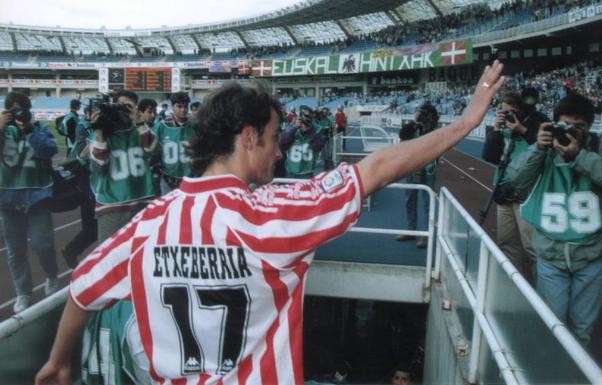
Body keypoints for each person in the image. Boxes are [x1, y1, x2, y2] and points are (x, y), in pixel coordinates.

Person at [36, 61, 504, 385]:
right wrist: (463, 123)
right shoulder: (272, 213)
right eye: (274, 139)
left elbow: (82, 289)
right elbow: (377, 169)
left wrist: (59, 363)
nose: (280, 152)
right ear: (248, 137)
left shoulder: (148, 224)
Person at [508, 92, 602, 346]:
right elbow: (515, 179)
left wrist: (579, 156)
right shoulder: (544, 148)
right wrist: (538, 148)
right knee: (552, 325)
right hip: (551, 253)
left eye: (578, 127)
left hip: (593, 254)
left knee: (581, 329)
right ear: (554, 124)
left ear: (590, 127)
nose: (571, 132)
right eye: (564, 126)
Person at [481, 89, 549, 283]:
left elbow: (546, 149)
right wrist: (496, 130)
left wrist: (522, 130)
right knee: (507, 243)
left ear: (521, 109)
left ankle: (543, 296)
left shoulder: (538, 121)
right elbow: (489, 156)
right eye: (503, 111)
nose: (508, 115)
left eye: (512, 111)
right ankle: (521, 289)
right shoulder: (502, 127)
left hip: (527, 195)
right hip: (503, 191)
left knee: (532, 248)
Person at [0, 91, 59, 313]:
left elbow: (49, 150)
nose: (17, 114)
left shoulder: (38, 128)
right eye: (12, 110)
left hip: (37, 194)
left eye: (21, 109)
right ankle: (23, 292)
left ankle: (51, 274)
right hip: (8, 196)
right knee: (15, 250)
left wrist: (29, 129)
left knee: (43, 243)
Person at [89, 90, 157, 243]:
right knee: (108, 258)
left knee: (143, 255)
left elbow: (155, 153)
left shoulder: (141, 130)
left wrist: (139, 122)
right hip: (112, 204)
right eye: (119, 106)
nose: (122, 111)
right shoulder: (103, 134)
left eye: (127, 106)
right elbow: (99, 168)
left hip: (142, 200)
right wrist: (99, 133)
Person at [395, 103, 439, 249]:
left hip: (429, 170)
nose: (417, 115)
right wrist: (414, 123)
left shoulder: (436, 131)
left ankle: (427, 235)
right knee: (409, 200)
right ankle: (411, 230)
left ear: (428, 115)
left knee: (428, 203)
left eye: (420, 113)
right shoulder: (415, 128)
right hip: (412, 168)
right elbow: (402, 137)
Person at [61, 104, 98, 268]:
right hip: (88, 183)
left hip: (100, 183)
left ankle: (72, 251)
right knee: (91, 230)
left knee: (95, 231)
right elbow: (79, 153)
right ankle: (71, 251)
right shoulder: (83, 127)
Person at [151, 91, 196, 195]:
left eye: (185, 106)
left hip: (190, 178)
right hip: (167, 178)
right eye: (179, 106)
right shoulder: (160, 127)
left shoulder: (195, 126)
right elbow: (152, 151)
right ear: (172, 107)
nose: (183, 110)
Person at [280, 105, 326, 178]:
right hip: (291, 170)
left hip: (307, 170)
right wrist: (294, 128)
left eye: (308, 119)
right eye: (303, 119)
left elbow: (318, 147)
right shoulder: (292, 126)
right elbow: (282, 144)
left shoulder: (317, 129)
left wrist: (310, 131)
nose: (304, 124)